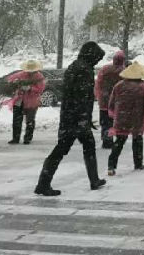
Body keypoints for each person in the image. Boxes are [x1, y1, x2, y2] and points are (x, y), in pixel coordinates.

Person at [35, 41, 107, 196]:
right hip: (76, 118)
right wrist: (83, 118)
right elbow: (82, 97)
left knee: (69, 148)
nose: (97, 62)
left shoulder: (74, 66)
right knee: (67, 149)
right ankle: (44, 184)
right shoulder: (84, 70)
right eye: (97, 58)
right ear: (91, 55)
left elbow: (73, 95)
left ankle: (44, 182)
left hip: (70, 116)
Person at [106, 61, 144, 175]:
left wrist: (113, 112)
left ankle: (111, 165)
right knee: (137, 140)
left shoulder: (118, 85)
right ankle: (138, 163)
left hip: (121, 117)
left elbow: (111, 102)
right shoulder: (143, 86)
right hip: (137, 118)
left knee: (119, 141)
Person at [5, 59, 46, 145]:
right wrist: (14, 82)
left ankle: (27, 138)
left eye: (32, 70)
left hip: (32, 102)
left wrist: (30, 88)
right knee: (16, 120)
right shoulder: (21, 74)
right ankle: (15, 138)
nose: (30, 72)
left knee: (30, 120)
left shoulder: (39, 77)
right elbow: (10, 79)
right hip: (19, 101)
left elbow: (40, 89)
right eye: (28, 70)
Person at [94, 50, 126, 148]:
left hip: (104, 102)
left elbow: (98, 84)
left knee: (105, 123)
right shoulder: (125, 72)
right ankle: (119, 140)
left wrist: (99, 96)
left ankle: (107, 141)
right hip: (118, 102)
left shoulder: (105, 69)